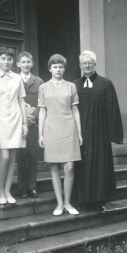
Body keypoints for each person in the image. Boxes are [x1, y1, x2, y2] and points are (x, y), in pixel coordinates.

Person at [73, 50, 123, 210]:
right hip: (81, 133)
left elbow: (112, 109)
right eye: (84, 63)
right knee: (82, 164)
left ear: (95, 64)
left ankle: (99, 201)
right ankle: (82, 200)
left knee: (99, 166)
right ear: (80, 65)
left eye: (90, 63)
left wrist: (112, 134)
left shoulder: (105, 84)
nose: (87, 65)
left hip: (100, 133)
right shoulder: (74, 85)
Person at [38, 54, 83, 216]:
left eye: (61, 66)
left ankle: (68, 203)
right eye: (55, 66)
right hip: (51, 129)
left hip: (69, 128)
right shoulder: (43, 88)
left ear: (64, 69)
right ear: (50, 68)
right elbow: (42, 112)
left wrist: (79, 132)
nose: (58, 69)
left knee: (69, 167)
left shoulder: (71, 86)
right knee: (55, 166)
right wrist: (40, 134)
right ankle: (59, 204)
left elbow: (75, 110)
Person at [0, 46, 28, 205]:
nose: (7, 62)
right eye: (3, 58)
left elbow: (21, 100)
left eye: (9, 59)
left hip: (15, 118)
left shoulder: (17, 78)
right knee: (3, 156)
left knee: (12, 158)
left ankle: (8, 190)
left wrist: (24, 122)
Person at [16, 51, 43, 198]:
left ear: (32, 64)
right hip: (18, 124)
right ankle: (22, 187)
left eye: (28, 62)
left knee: (33, 155)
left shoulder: (38, 81)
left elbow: (43, 101)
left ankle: (32, 187)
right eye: (23, 62)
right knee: (21, 156)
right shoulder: (14, 80)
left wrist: (34, 115)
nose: (26, 65)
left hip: (33, 124)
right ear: (18, 64)